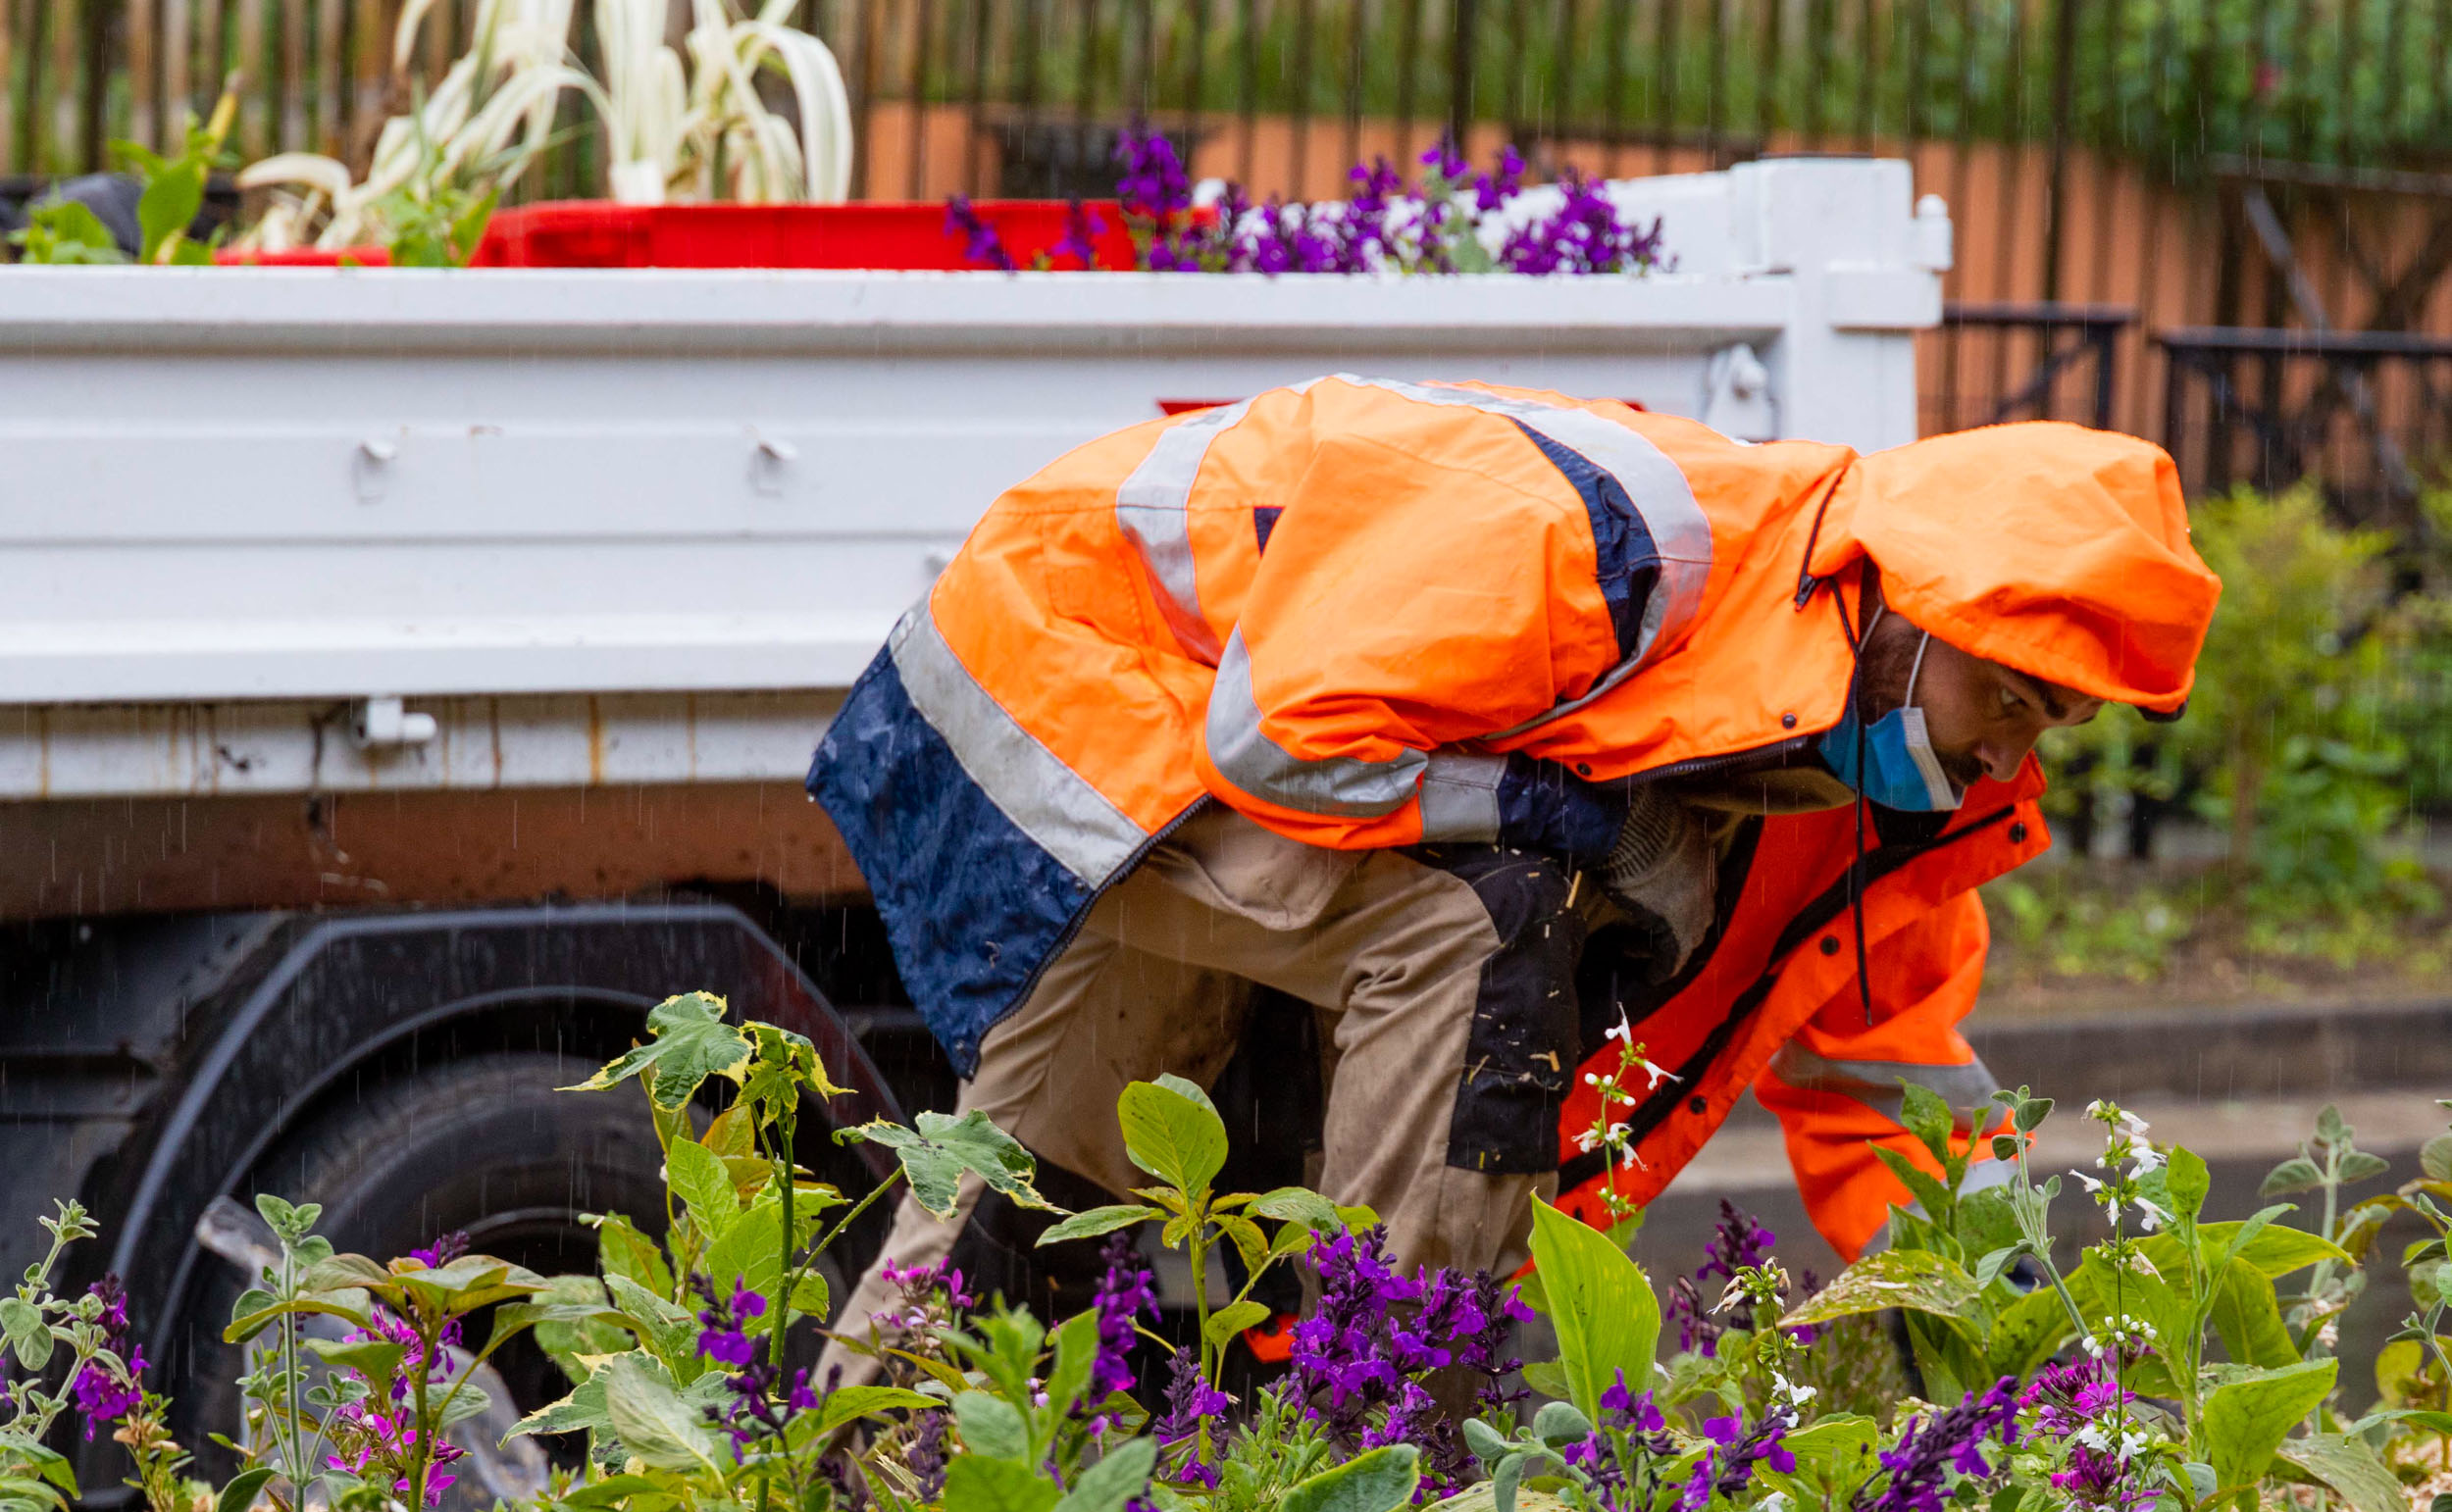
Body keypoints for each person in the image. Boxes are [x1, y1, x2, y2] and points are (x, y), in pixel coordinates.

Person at [806, 376, 2220, 1360]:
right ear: (1906, 601)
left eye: (2054, 729)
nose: (2012, 765)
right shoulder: (1616, 547)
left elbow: (1889, 1074)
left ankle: (861, 1472)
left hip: (1190, 731)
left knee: (1056, 1139)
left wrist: (2044, 1370)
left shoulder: (1825, 757)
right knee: (1479, 927)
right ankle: (1395, 1477)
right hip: (1074, 667)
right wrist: (1582, 826)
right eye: (2014, 703)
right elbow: (1280, 741)